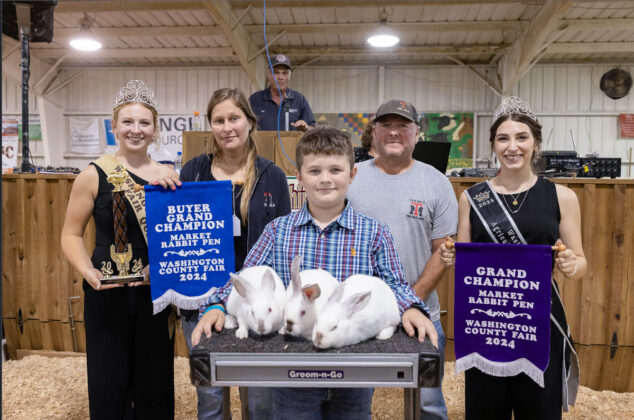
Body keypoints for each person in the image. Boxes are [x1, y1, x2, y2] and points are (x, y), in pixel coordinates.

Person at [192, 126, 438, 419]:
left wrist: (411, 307)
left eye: (335, 170)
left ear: (352, 174)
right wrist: (217, 305)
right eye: (314, 171)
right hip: (292, 370)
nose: (325, 179)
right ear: (299, 177)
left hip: (354, 369)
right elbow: (247, 278)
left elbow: (393, 284)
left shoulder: (374, 233)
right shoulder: (277, 231)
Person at [439, 96, 586, 419]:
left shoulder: (562, 196)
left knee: (539, 411)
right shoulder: (472, 198)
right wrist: (451, 256)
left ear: (536, 144)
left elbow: (580, 262)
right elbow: (465, 263)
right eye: (503, 138)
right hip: (486, 325)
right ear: (493, 145)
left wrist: (571, 264)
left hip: (539, 324)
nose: (512, 146)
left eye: (522, 137)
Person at [61, 80, 180, 419]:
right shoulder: (92, 175)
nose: (135, 129)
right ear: (114, 126)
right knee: (108, 382)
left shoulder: (168, 176)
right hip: (106, 293)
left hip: (154, 292)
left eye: (144, 122)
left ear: (155, 129)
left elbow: (178, 237)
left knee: (155, 383)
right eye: (127, 121)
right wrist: (88, 272)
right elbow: (70, 234)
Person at [180, 87, 291, 420]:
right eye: (219, 120)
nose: (227, 127)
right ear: (210, 125)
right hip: (202, 299)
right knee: (210, 399)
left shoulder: (272, 176)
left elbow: (282, 242)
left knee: (260, 401)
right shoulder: (192, 173)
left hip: (254, 302)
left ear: (250, 122)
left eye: (234, 118)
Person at [347, 99, 458, 420]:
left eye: (403, 126)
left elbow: (443, 251)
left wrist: (409, 302)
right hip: (360, 316)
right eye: (386, 125)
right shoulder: (351, 179)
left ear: (417, 133)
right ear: (374, 132)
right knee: (352, 405)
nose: (394, 132)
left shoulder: (436, 182)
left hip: (421, 313)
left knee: (428, 405)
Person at [249, 54, 315, 132]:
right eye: (276, 72)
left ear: (289, 77)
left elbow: (312, 128)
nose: (280, 77)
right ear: (268, 75)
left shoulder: (299, 99)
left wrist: (306, 128)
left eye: (284, 73)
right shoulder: (255, 99)